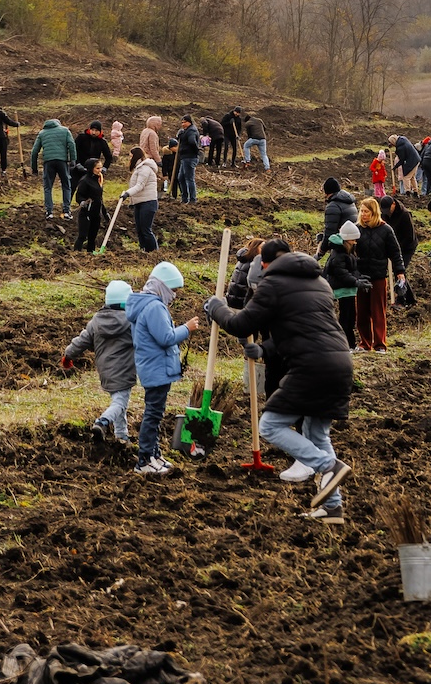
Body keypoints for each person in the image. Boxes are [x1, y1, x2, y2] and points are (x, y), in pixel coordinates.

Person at [205, 240, 355, 523]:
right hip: (340, 363)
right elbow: (303, 329)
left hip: (310, 367)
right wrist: (264, 349)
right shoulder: (319, 282)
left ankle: (329, 466)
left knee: (270, 425)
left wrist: (216, 308)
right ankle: (332, 507)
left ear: (264, 264)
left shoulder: (273, 284)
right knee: (316, 433)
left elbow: (241, 324)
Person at [125, 261, 201, 476]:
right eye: (173, 290)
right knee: (153, 415)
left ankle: (154, 454)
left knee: (155, 414)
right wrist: (187, 328)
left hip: (154, 368)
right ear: (162, 286)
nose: (174, 295)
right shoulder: (155, 307)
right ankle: (144, 460)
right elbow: (166, 338)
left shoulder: (147, 304)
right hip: (157, 369)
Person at [63, 279, 137, 445]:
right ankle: (102, 422)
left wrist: (68, 355)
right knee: (120, 402)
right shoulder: (131, 322)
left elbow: (81, 341)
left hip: (105, 371)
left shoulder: (96, 321)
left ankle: (121, 435)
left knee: (119, 400)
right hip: (124, 369)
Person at [353, 197, 402, 349]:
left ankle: (380, 344)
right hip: (361, 276)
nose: (363, 214)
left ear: (374, 212)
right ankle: (364, 343)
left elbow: (395, 252)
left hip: (378, 276)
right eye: (361, 211)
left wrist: (400, 271)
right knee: (361, 313)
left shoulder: (385, 229)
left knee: (378, 312)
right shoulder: (357, 229)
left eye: (366, 211)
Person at [323, 223, 362, 347]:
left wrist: (359, 278)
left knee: (351, 318)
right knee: (346, 319)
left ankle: (350, 344)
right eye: (353, 239)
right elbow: (342, 274)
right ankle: (346, 344)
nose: (355, 242)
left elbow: (351, 270)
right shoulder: (338, 255)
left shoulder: (347, 251)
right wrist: (356, 282)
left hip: (349, 289)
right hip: (342, 290)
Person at [31, 118, 77, 219]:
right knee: (66, 185)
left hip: (48, 162)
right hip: (62, 161)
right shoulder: (65, 131)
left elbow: (34, 151)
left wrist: (34, 169)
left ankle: (49, 212)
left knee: (48, 187)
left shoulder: (42, 133)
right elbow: (71, 145)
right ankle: (66, 211)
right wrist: (73, 160)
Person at [121, 148, 161, 253]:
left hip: (148, 202)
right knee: (140, 230)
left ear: (135, 156)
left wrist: (127, 194)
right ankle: (144, 251)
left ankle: (154, 252)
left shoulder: (145, 169)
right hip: (140, 202)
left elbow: (140, 186)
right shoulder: (139, 168)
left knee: (146, 230)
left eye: (130, 156)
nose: (129, 159)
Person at [72, 159, 107, 252]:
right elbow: (79, 196)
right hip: (86, 213)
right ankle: (76, 253)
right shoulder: (85, 181)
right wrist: (82, 202)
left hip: (96, 213)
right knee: (82, 236)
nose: (100, 170)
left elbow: (99, 198)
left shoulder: (99, 180)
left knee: (92, 236)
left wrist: (105, 213)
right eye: (97, 168)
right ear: (91, 169)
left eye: (101, 168)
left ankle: (90, 253)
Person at [172, 116, 201, 203]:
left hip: (190, 157)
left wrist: (196, 151)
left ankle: (192, 199)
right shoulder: (187, 131)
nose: (183, 124)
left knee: (189, 178)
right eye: (182, 122)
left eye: (184, 122)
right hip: (185, 157)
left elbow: (192, 142)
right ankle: (184, 198)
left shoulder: (192, 131)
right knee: (181, 178)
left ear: (189, 122)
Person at [322, 178, 358, 244]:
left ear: (327, 192)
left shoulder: (333, 206)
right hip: (353, 240)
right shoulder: (349, 201)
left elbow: (330, 232)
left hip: (343, 243)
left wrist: (321, 251)